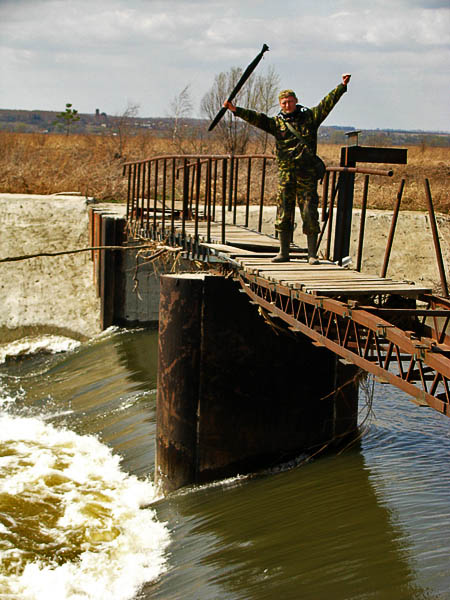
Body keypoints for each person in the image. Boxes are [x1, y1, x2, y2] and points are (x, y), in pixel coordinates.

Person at [223, 73, 351, 263]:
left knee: (309, 212)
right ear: (280, 104)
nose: (287, 105)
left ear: (296, 101)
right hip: (286, 176)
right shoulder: (277, 123)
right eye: (283, 103)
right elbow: (257, 118)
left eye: (290, 102)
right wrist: (235, 110)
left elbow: (327, 103)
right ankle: (283, 252)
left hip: (306, 175)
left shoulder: (309, 118)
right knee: (284, 212)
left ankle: (312, 254)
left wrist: (341, 86)